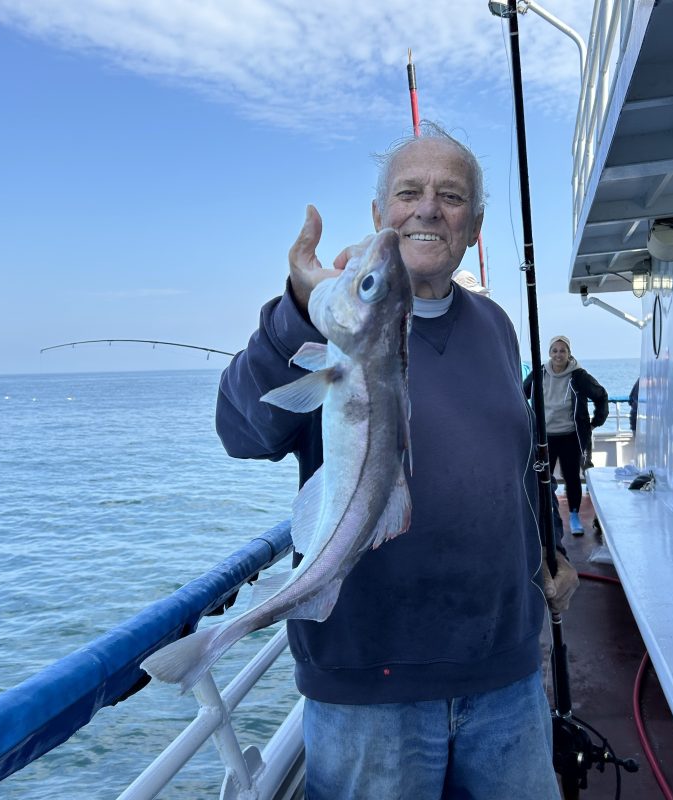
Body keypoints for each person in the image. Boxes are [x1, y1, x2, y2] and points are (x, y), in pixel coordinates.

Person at [215, 122, 578, 799]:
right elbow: (243, 431)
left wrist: (545, 558)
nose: (428, 207)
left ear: (473, 227)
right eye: (408, 192)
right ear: (381, 215)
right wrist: (298, 310)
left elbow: (510, 469)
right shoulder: (324, 327)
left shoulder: (496, 326)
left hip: (506, 678)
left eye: (452, 195)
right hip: (368, 696)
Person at [523, 336, 608, 536]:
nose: (558, 355)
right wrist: (526, 420)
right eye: (555, 350)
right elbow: (521, 393)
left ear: (569, 353)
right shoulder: (539, 373)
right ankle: (545, 517)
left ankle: (574, 516)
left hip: (571, 436)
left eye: (562, 350)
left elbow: (601, 395)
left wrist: (596, 422)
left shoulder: (579, 376)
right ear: (549, 353)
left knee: (572, 478)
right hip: (545, 437)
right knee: (543, 478)